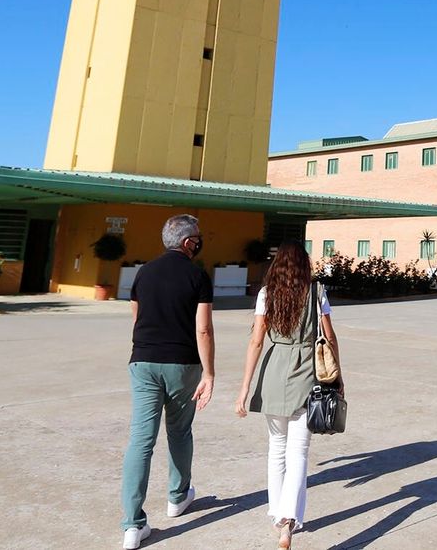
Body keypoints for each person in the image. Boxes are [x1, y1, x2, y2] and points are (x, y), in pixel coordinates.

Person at [235, 241, 342, 548]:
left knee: (276, 449)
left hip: (273, 372)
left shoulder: (266, 294)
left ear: (277, 265)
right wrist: (338, 377)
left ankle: (277, 514)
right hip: (307, 374)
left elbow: (256, 342)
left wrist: (245, 387)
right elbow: (330, 337)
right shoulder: (316, 291)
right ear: (304, 265)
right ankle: (288, 523)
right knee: (299, 453)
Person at [120, 215, 215, 549]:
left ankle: (132, 525)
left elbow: (136, 316)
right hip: (182, 364)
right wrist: (209, 372)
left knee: (141, 440)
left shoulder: (143, 272)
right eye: (199, 238)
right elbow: (202, 328)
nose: (201, 242)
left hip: (143, 361)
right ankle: (177, 497)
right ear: (189, 242)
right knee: (179, 431)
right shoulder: (197, 275)